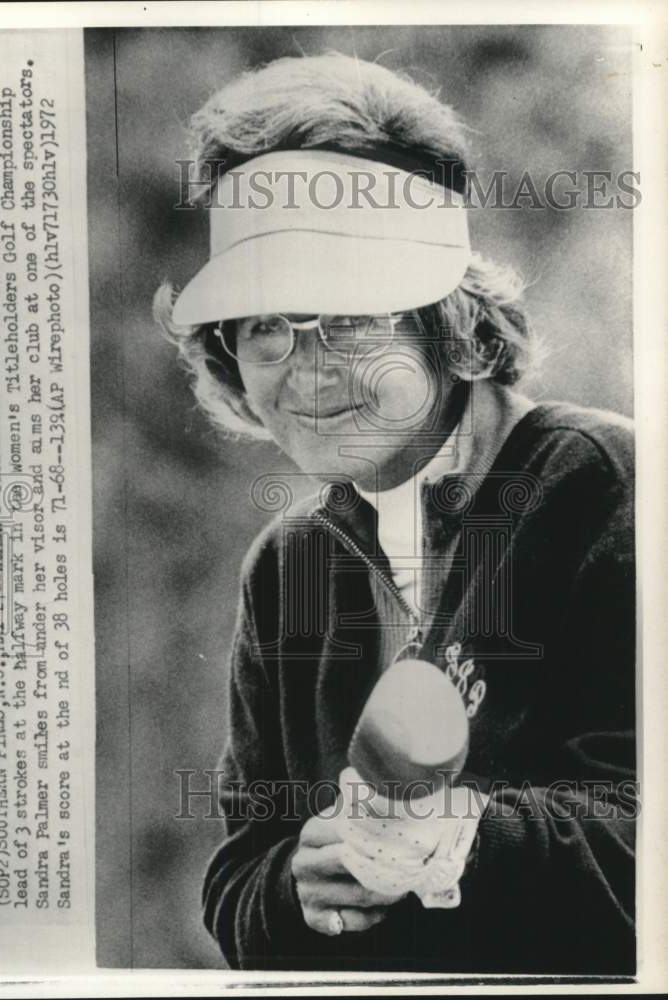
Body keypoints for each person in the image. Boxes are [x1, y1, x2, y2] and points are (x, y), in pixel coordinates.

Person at [155, 52, 635, 974]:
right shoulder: (287, 567)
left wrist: (465, 840)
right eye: (266, 327)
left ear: (443, 318)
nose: (311, 369)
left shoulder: (605, 485)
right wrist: (301, 881)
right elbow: (237, 883)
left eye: (351, 315)